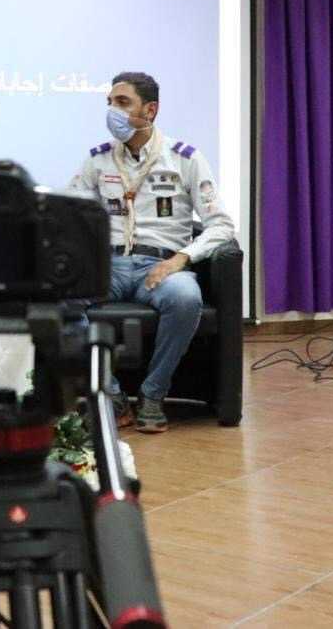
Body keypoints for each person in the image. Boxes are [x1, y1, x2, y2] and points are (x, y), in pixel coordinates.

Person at [70, 72, 235, 433]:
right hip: (109, 264)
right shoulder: (98, 160)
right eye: (110, 103)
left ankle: (153, 394)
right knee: (56, 299)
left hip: (162, 263)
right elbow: (70, 215)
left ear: (150, 110)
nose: (112, 111)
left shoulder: (184, 159)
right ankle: (111, 395)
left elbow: (222, 225)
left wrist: (181, 259)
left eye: (122, 102)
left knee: (186, 298)